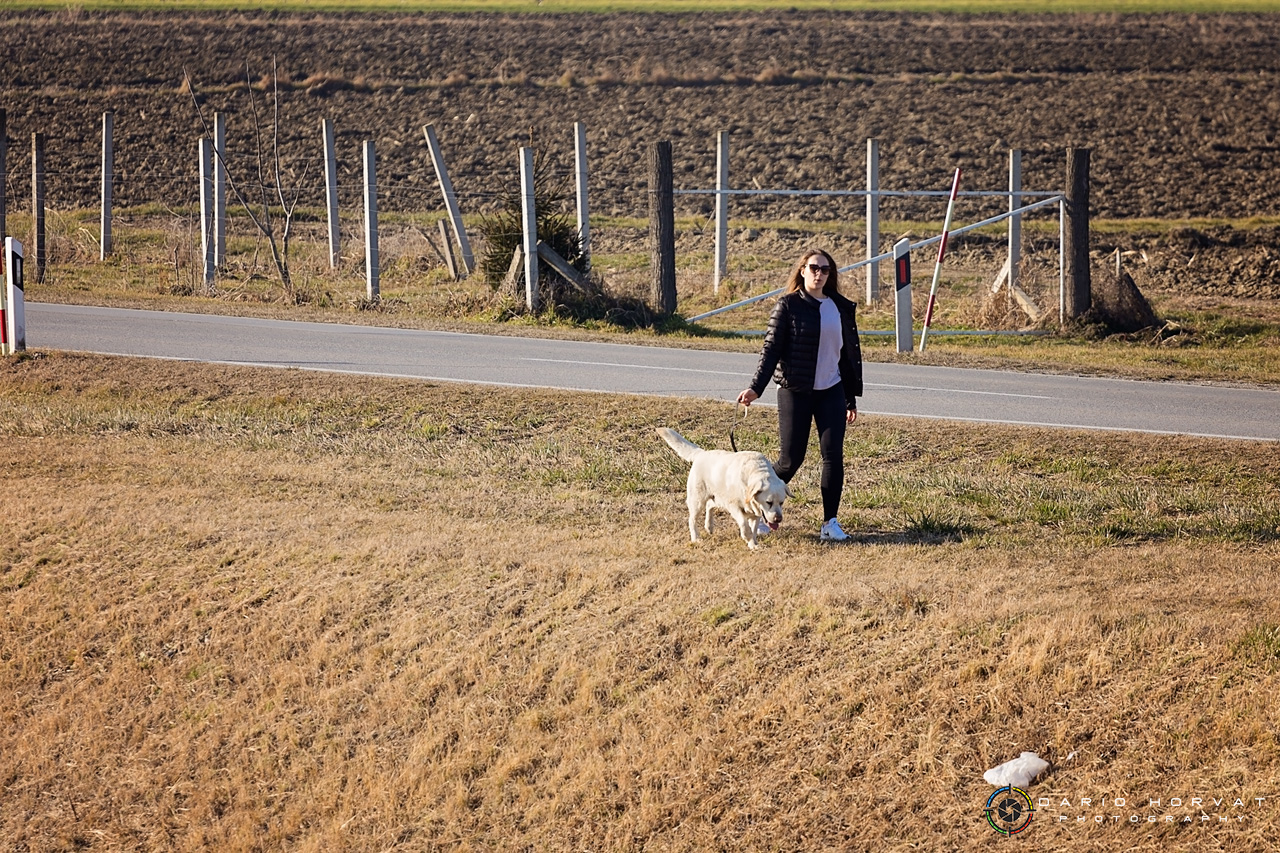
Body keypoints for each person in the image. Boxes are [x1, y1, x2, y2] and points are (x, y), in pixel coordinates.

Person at [737, 248, 863, 542]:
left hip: (831, 390)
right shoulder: (788, 306)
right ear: (802, 270)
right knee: (791, 458)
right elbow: (770, 351)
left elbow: (845, 356)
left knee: (833, 456)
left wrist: (849, 397)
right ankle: (760, 509)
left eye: (825, 269)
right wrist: (756, 387)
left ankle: (830, 523)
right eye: (814, 268)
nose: (819, 274)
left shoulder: (839, 307)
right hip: (795, 390)